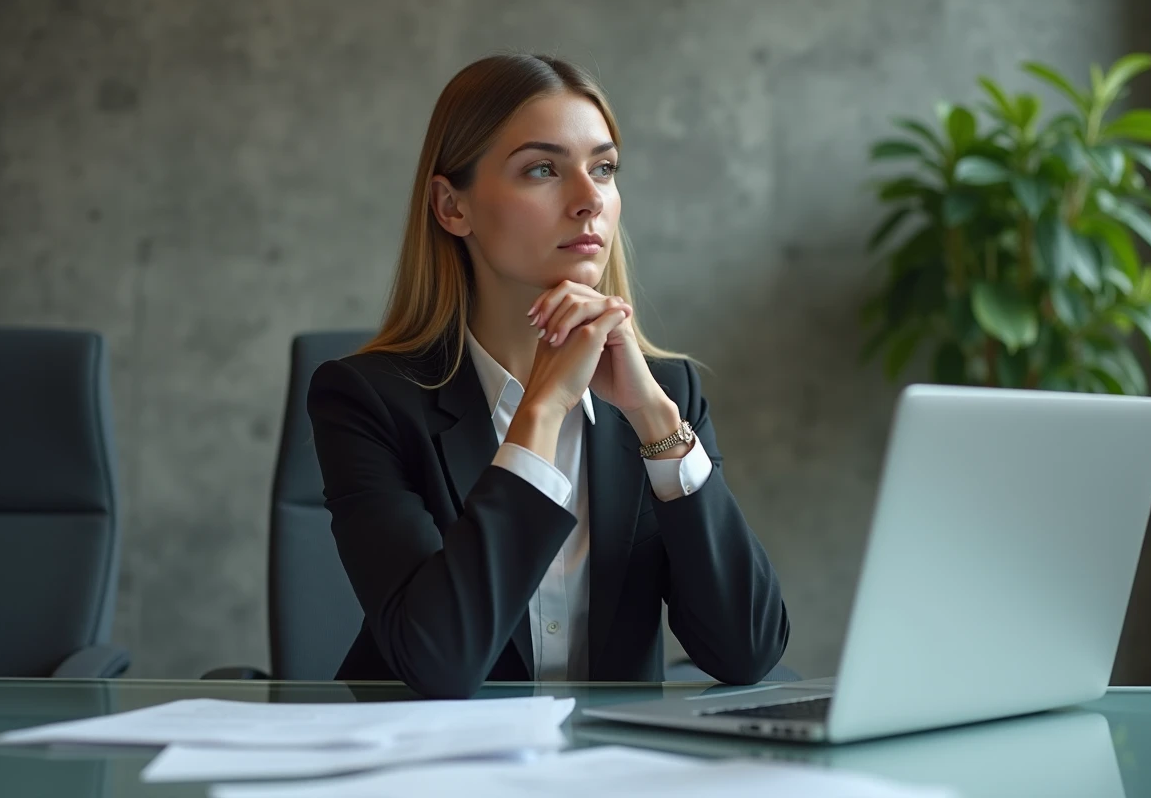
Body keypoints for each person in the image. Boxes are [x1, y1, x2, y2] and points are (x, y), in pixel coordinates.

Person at [307, 53, 789, 699]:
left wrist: (656, 423)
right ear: (452, 207)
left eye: (605, 169)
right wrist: (540, 415)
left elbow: (747, 651)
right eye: (543, 170)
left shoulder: (666, 397)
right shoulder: (367, 400)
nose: (590, 200)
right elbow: (438, 660)